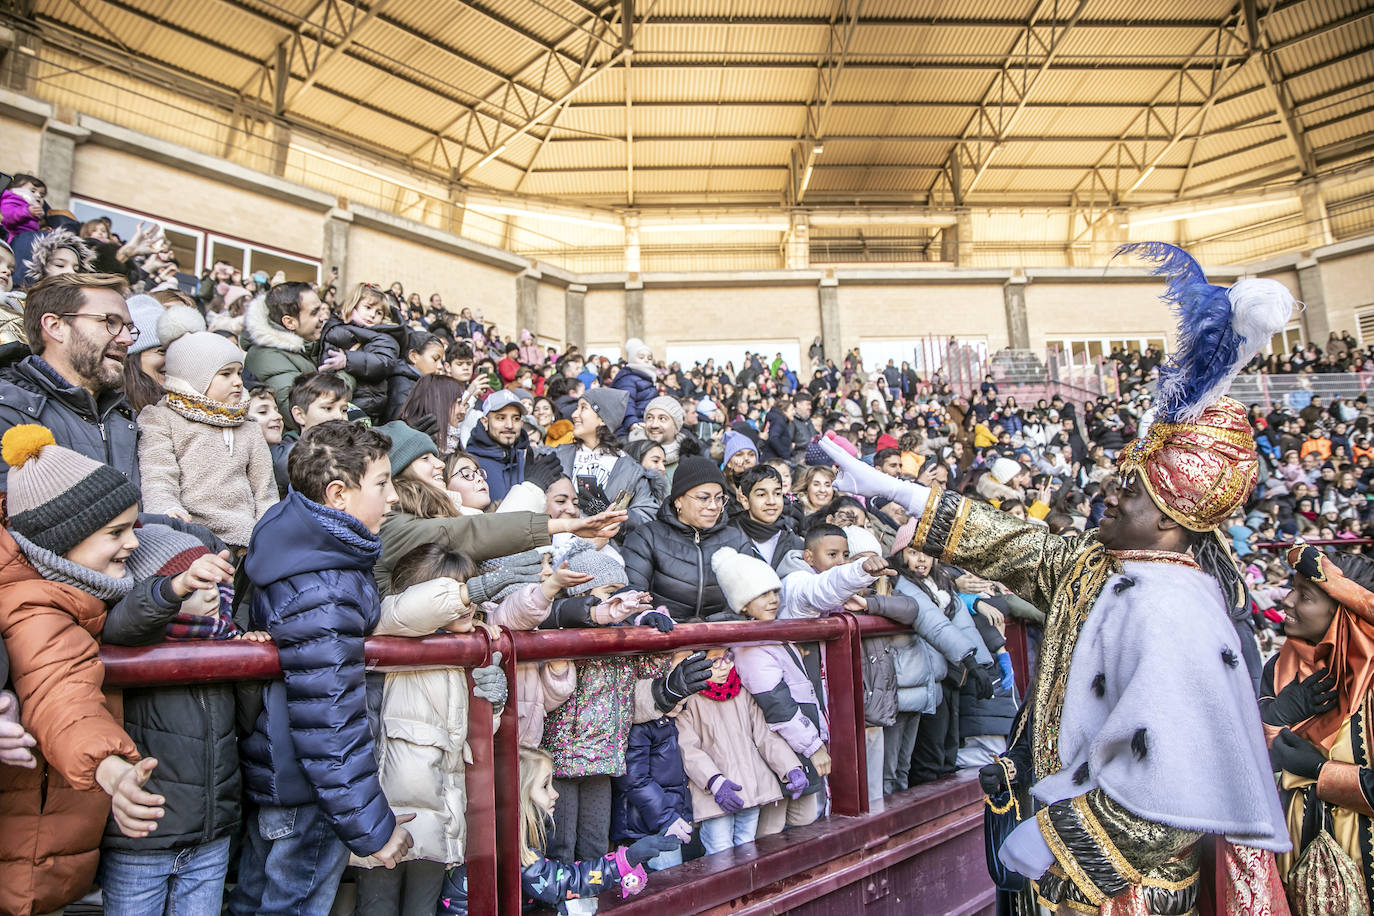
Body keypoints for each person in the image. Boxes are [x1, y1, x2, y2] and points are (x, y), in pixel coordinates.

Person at [819, 243, 1294, 912]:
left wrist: (1058, 844)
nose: (1109, 489)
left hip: (1124, 888)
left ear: (1170, 523)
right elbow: (1020, 544)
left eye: (1130, 489)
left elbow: (1179, 782)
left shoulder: (1175, 609)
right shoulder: (1098, 566)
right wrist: (900, 491)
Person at [230, 421, 415, 915]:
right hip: (306, 788)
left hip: (279, 773)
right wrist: (372, 828)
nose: (393, 496)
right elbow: (329, 716)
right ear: (338, 494)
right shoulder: (324, 587)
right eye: (382, 483)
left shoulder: (291, 536)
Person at [0, 425, 179, 915]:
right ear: (64, 539)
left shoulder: (67, 586)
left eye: (133, 528)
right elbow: (60, 692)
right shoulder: (37, 605)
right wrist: (109, 766)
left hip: (46, 838)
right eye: (115, 533)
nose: (131, 545)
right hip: (27, 851)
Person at [437, 747, 680, 914]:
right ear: (519, 796)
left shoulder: (518, 835)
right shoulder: (509, 844)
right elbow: (559, 883)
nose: (555, 794)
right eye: (544, 786)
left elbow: (558, 876)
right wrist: (625, 860)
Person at [1263, 544, 1374, 909]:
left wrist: (1321, 772)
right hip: (1288, 872)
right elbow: (1239, 764)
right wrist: (1274, 717)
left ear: (1343, 613)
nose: (1287, 601)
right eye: (1291, 589)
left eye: (1304, 596)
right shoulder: (1278, 669)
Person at [136, 329, 278, 550]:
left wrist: (269, 531)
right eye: (226, 374)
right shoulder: (162, 418)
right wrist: (166, 509)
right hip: (191, 535)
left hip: (246, 539)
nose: (238, 382)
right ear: (195, 376)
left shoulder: (248, 427)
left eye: (239, 373)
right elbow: (158, 473)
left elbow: (264, 490)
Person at [0, 273, 140, 488]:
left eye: (129, 328)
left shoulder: (125, 417)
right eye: (110, 322)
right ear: (55, 326)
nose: (127, 339)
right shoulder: (8, 412)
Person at [674, 647, 807, 854]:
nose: (724, 666)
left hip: (749, 789)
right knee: (720, 851)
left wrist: (790, 768)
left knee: (747, 847)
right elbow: (688, 750)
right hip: (714, 795)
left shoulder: (742, 692)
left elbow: (765, 736)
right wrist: (715, 782)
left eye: (728, 658)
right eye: (715, 660)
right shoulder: (689, 702)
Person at [621, 456, 752, 622]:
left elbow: (749, 599)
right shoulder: (647, 538)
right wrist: (648, 617)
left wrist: (709, 631)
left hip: (722, 638)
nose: (713, 506)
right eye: (704, 498)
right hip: (663, 637)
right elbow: (631, 596)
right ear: (678, 501)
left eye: (719, 498)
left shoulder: (736, 539)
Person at [243, 281, 351, 427]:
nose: (323, 317)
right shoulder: (266, 356)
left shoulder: (310, 344)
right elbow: (298, 414)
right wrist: (348, 371)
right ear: (289, 322)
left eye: (321, 310)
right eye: (314, 312)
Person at [555, 388, 658, 529]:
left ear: (602, 419)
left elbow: (646, 518)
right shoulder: (556, 456)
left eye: (583, 408)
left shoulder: (630, 470)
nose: (574, 414)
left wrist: (609, 513)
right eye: (576, 408)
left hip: (605, 547)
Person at [321, 283, 403, 424]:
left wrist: (348, 360)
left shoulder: (383, 336)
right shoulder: (336, 327)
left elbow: (383, 362)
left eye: (379, 313)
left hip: (366, 402)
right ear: (354, 305)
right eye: (368, 308)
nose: (372, 315)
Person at [731, 464, 802, 570]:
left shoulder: (795, 543)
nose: (771, 501)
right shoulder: (728, 539)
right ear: (745, 501)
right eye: (761, 495)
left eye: (777, 493)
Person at [467, 389, 532, 502]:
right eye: (501, 418)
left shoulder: (529, 458)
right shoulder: (470, 463)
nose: (509, 425)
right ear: (485, 422)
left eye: (515, 418)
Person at [609, 338, 658, 436]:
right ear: (632, 359)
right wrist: (632, 423)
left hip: (647, 424)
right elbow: (627, 403)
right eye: (641, 357)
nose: (646, 360)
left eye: (649, 358)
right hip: (631, 428)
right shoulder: (627, 379)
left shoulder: (647, 378)